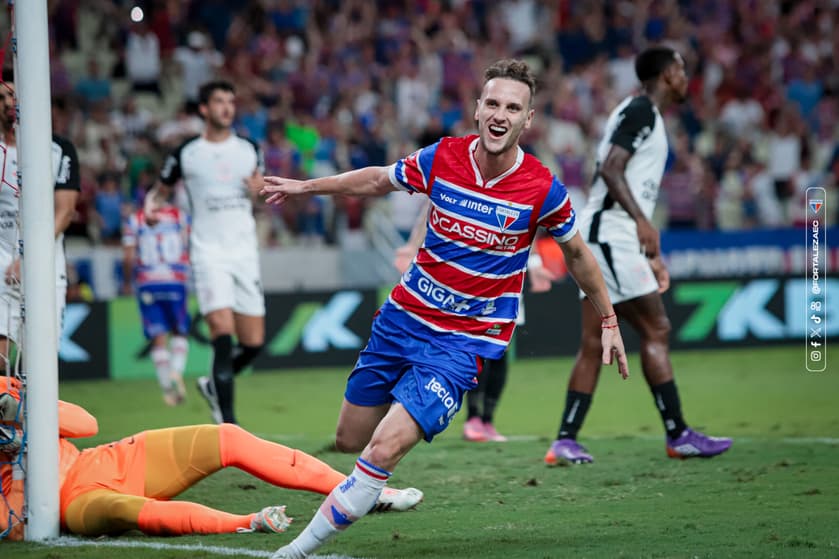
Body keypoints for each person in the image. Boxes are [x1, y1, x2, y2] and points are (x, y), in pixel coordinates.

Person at [260, 59, 629, 559]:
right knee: (350, 439)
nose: (501, 114)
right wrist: (306, 186)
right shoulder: (443, 158)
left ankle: (296, 550)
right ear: (478, 109)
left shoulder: (542, 188)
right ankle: (372, 487)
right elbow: (377, 181)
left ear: (528, 118)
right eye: (493, 103)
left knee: (383, 448)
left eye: (513, 107)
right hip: (401, 319)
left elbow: (578, 253)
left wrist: (608, 317)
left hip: (461, 343)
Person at [544, 47, 733, 466]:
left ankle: (565, 440)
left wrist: (646, 245)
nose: (686, 77)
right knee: (656, 328)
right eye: (681, 69)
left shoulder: (640, 113)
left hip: (607, 234)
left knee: (593, 342)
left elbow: (618, 172)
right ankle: (678, 433)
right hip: (610, 233)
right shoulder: (643, 111)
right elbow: (612, 169)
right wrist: (643, 225)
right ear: (667, 74)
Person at [0, 376, 423, 541]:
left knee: (228, 438)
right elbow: (11, 527)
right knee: (133, 511)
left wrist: (24, 408)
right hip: (74, 502)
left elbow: (86, 422)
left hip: (106, 460)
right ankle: (246, 522)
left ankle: (372, 492)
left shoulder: (4, 387)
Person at [145, 80, 266, 425]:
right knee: (221, 333)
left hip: (244, 251)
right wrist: (151, 208)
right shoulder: (187, 152)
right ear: (204, 109)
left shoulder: (248, 149)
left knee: (254, 343)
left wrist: (260, 191)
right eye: (219, 101)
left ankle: (213, 386)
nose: (227, 107)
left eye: (231, 101)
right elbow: (158, 192)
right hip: (208, 252)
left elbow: (261, 192)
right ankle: (229, 428)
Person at [393, 201, 559, 442]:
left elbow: (527, 226)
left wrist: (535, 264)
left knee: (500, 350)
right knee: (474, 347)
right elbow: (431, 207)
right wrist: (411, 247)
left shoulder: (520, 183)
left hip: (507, 279)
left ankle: (487, 421)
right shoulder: (463, 179)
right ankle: (472, 417)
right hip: (469, 276)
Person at [0, 76, 80, 364]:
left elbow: (66, 210)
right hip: (1, 259)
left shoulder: (58, 149)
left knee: (42, 360)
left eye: (16, 96)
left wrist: (27, 256)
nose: (11, 103)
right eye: (4, 97)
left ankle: (26, 409)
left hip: (45, 263)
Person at [121, 202, 191, 406]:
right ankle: (176, 371)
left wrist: (126, 281)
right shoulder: (179, 215)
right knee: (179, 331)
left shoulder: (135, 219)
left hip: (148, 283)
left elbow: (128, 257)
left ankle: (166, 387)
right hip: (175, 280)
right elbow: (190, 244)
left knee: (157, 337)